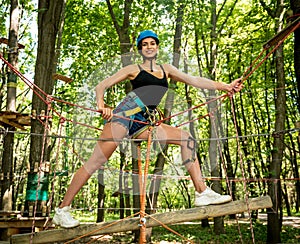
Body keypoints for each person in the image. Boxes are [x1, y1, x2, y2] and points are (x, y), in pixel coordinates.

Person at [53, 30, 243, 228]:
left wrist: (226, 86)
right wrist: (102, 106)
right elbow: (101, 86)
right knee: (97, 160)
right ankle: (62, 209)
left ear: (157, 46)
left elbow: (195, 80)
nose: (149, 46)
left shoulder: (166, 69)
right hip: (124, 115)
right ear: (140, 49)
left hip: (144, 122)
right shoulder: (133, 69)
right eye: (145, 44)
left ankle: (202, 192)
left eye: (152, 43)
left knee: (185, 138)